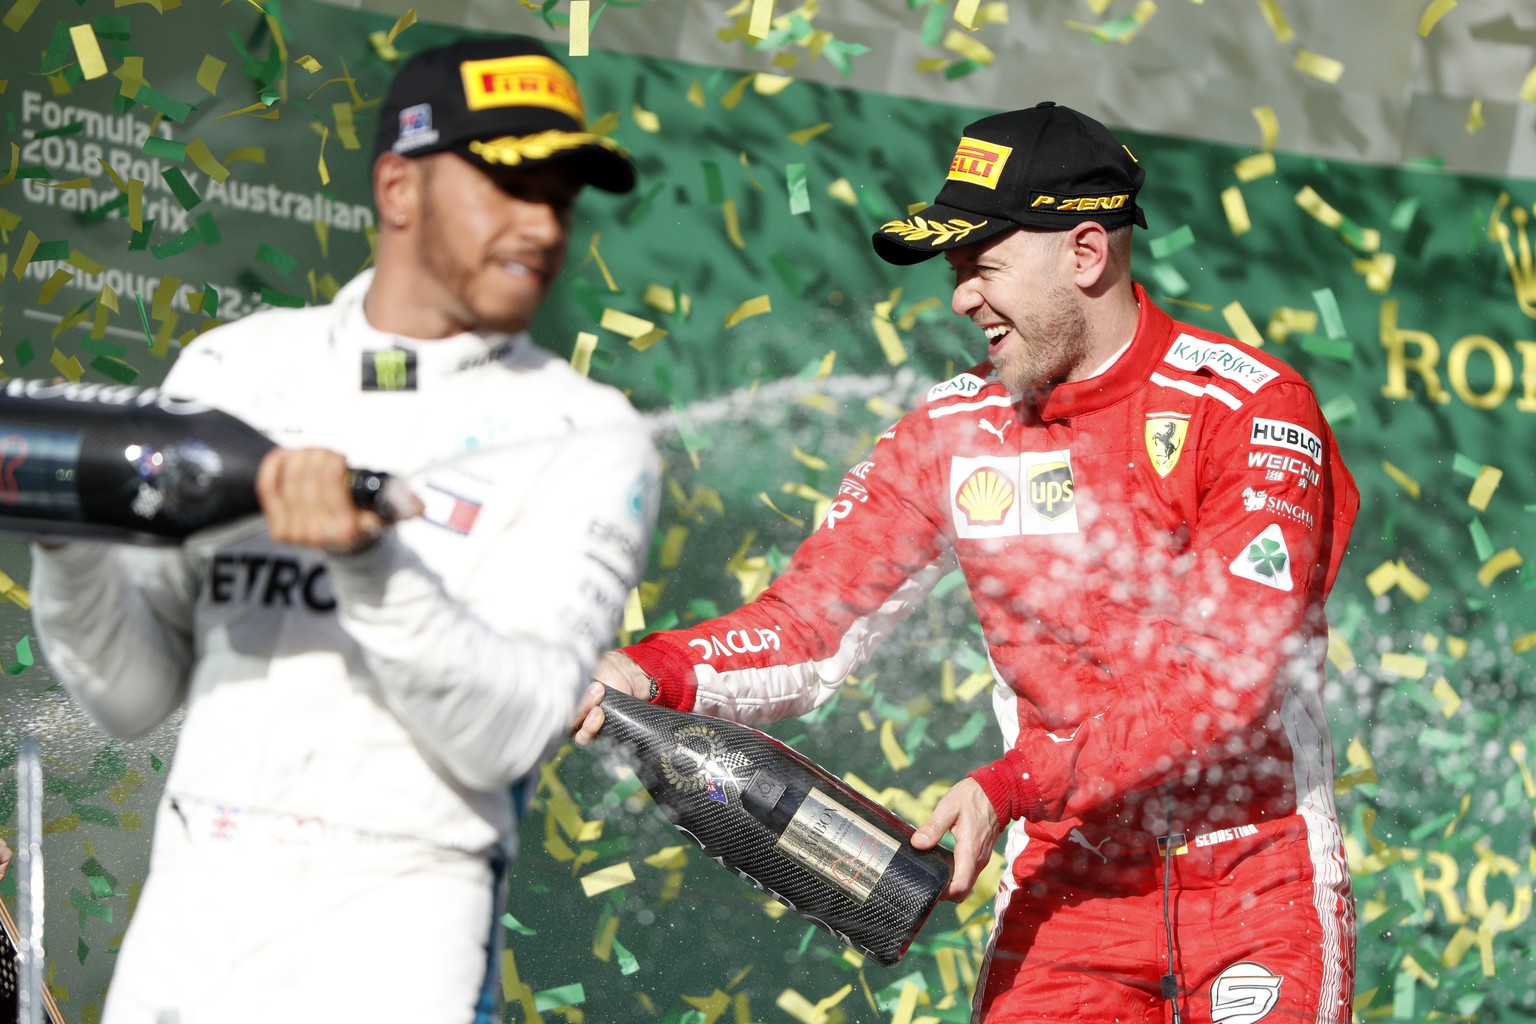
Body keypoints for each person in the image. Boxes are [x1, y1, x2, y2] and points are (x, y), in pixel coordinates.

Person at [575, 101, 1358, 1023]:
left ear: (1085, 253)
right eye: (955, 272)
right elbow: (811, 627)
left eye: (982, 266)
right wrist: (650, 671)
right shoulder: (954, 431)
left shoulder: (1250, 408)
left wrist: (1011, 785)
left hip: (1254, 881)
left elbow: (1226, 677)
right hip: (1065, 890)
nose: (960, 299)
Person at [30, 35, 658, 1024]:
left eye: (561, 193)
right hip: (190, 928)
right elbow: (132, 694)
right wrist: (65, 541)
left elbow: (503, 734)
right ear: (397, 189)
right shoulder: (232, 368)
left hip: (394, 941)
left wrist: (369, 560)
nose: (542, 222)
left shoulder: (590, 434)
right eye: (506, 182)